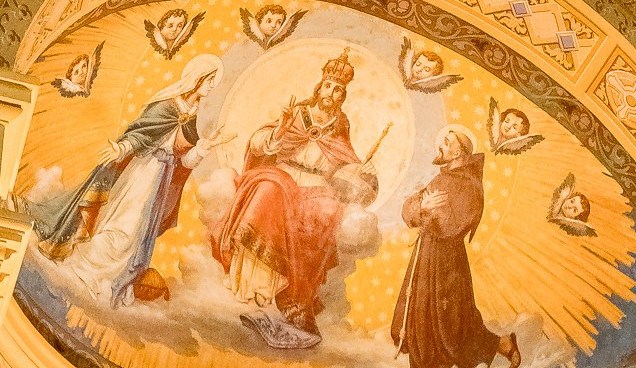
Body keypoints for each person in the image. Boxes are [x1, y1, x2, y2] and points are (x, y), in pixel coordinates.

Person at [210, 51, 376, 336]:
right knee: (267, 190)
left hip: (317, 187)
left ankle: (293, 300)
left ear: (342, 96)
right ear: (319, 87)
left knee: (326, 212)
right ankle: (254, 291)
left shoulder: (340, 125)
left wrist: (364, 170)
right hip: (282, 173)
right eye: (328, 86)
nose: (332, 93)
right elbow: (259, 143)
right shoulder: (298, 113)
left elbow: (347, 160)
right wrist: (280, 132)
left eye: (339, 90)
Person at [27, 57, 218, 303]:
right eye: (210, 80)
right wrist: (123, 147)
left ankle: (112, 280)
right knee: (124, 226)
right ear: (197, 78)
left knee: (137, 234)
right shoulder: (167, 105)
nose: (212, 85)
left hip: (160, 180)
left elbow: (184, 162)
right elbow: (140, 133)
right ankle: (85, 270)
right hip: (141, 172)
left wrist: (204, 147)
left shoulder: (192, 116)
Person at [390, 127, 519, 368]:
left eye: (446, 143)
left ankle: (502, 344)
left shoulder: (469, 184)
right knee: (421, 300)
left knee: (453, 314)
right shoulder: (441, 178)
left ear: (459, 150)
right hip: (428, 250)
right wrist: (422, 208)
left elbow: (459, 221)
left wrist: (430, 214)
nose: (441, 147)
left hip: (448, 258)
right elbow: (411, 207)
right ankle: (427, 350)